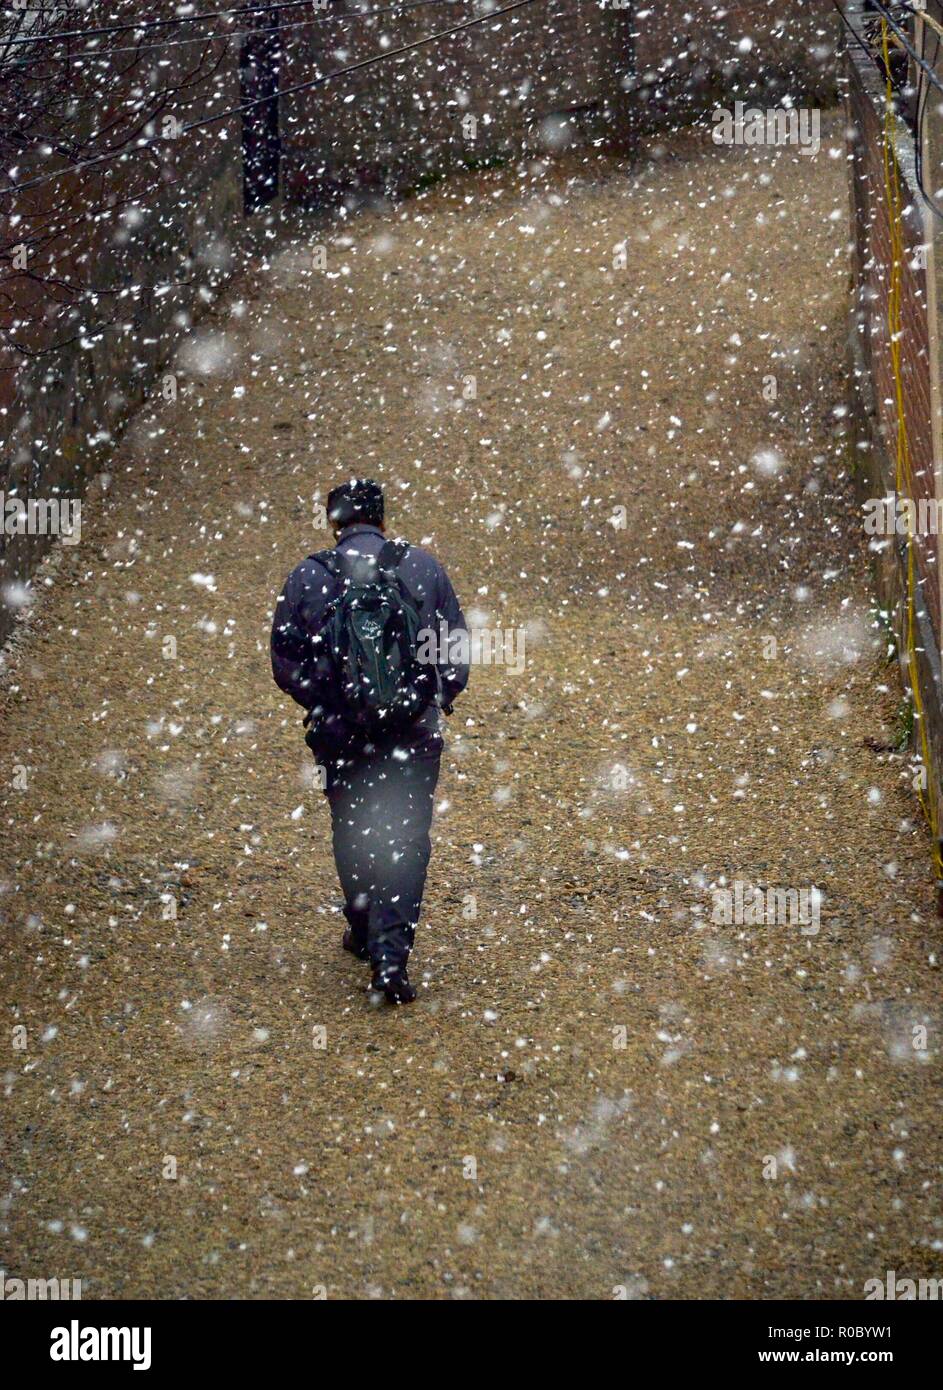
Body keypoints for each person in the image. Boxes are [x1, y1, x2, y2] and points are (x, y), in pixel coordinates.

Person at [270, 478, 468, 1004]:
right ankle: (389, 960)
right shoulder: (421, 568)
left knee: (352, 830)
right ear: (383, 520)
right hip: (413, 734)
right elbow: (456, 655)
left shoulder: (308, 577)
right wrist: (428, 698)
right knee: (405, 839)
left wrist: (333, 704)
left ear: (333, 522)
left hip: (340, 738)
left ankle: (362, 928)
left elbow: (284, 664)